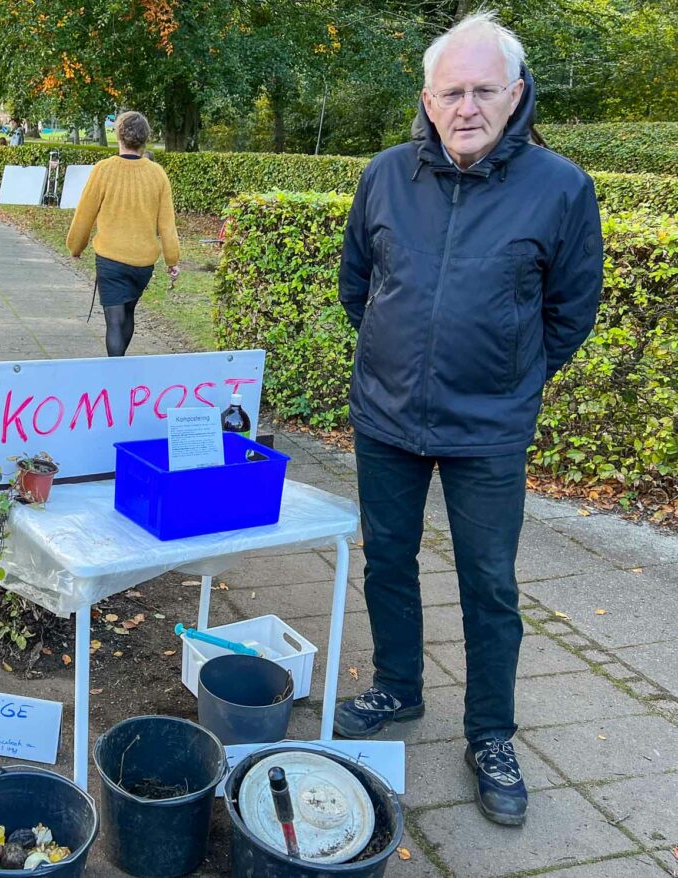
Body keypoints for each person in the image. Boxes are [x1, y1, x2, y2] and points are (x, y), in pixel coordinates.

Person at [335, 12, 602, 827]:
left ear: (515, 94)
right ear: (428, 96)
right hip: (386, 418)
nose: (468, 106)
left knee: (490, 585)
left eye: (486, 89)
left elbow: (571, 312)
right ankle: (398, 686)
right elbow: (358, 286)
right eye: (453, 90)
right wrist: (393, 357)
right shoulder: (384, 175)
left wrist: (512, 379)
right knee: (387, 558)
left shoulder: (561, 188)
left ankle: (490, 734)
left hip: (489, 428)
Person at [66, 110, 180, 357]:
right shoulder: (158, 174)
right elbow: (167, 224)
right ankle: (120, 367)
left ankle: (115, 374)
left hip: (111, 260)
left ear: (118, 136)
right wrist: (172, 260)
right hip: (143, 263)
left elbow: (85, 213)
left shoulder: (103, 169)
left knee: (114, 321)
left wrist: (76, 247)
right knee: (128, 313)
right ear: (145, 139)